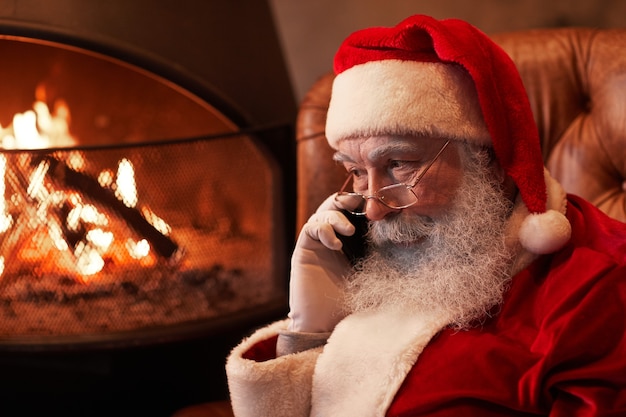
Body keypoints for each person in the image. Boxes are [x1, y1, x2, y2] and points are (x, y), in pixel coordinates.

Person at [225, 14, 626, 417]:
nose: (374, 208)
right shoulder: (369, 251)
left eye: (399, 163)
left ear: (488, 159)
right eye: (356, 172)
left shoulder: (600, 286)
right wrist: (308, 331)